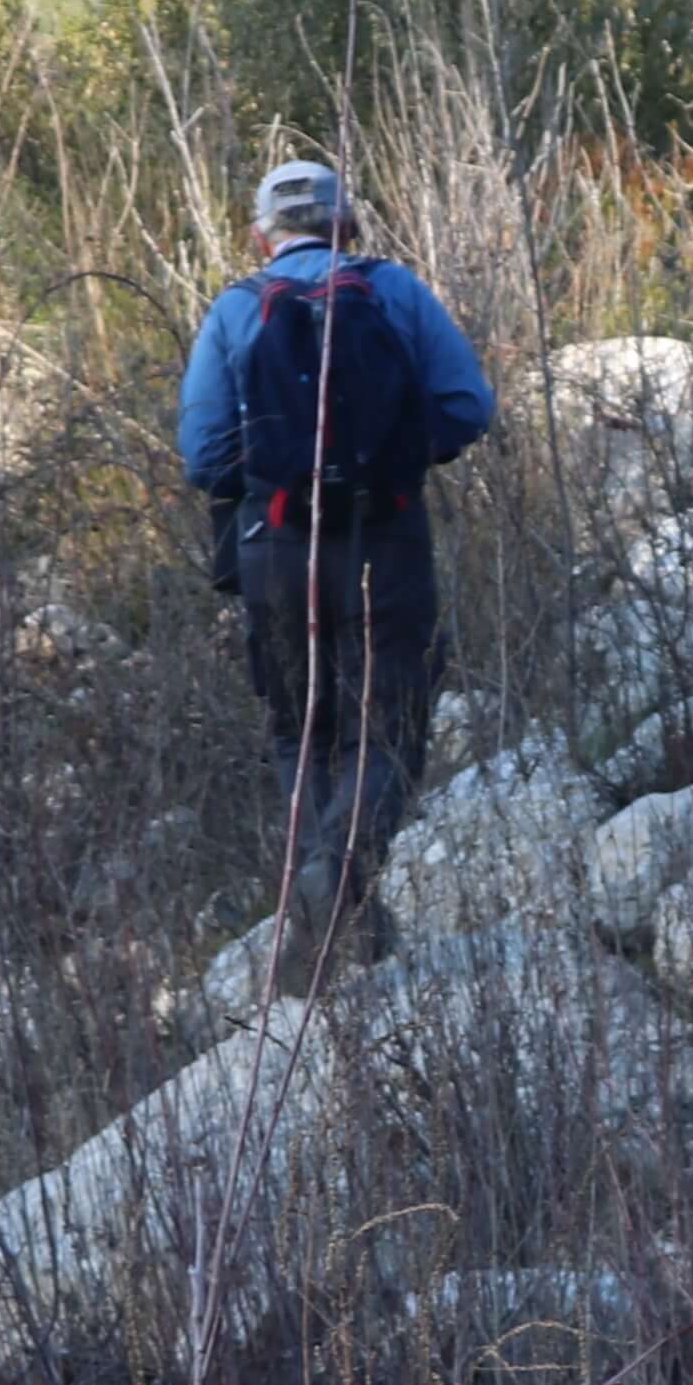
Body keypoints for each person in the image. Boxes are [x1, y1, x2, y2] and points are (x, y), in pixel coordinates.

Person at [177, 157, 497, 949]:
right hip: (384, 538)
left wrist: (275, 477)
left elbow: (202, 453)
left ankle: (324, 908)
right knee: (387, 724)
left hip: (276, 546)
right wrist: (390, 456)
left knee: (300, 728)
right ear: (346, 224)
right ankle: (340, 877)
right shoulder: (393, 290)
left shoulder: (236, 310)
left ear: (261, 237)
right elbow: (468, 408)